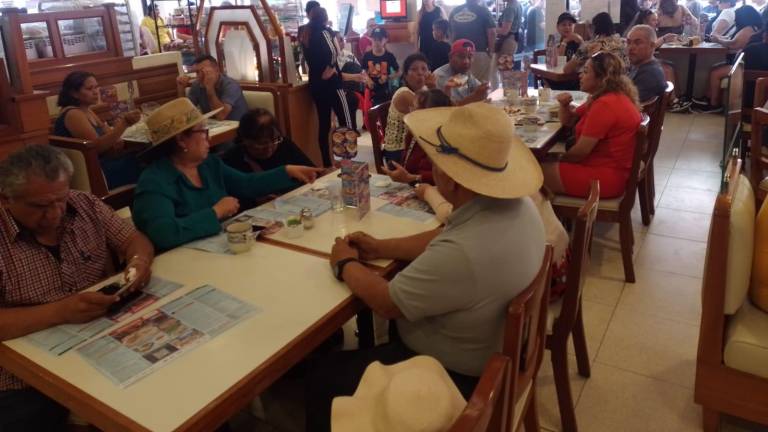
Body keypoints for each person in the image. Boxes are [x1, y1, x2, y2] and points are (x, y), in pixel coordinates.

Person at [305, 101, 546, 432]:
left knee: (322, 377)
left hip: (456, 372)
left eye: (438, 161)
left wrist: (344, 263)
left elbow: (388, 302)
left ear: (452, 180)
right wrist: (380, 247)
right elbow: (443, 236)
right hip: (497, 352)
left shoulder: (463, 253)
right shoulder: (519, 208)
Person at [0, 144, 155, 430]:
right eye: (40, 206)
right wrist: (61, 312)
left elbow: (135, 241)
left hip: (101, 343)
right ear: (6, 199)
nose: (55, 213)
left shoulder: (84, 204)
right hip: (22, 376)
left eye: (60, 199)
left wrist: (138, 263)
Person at [132, 98, 322, 251]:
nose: (209, 138)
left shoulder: (208, 164)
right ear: (182, 140)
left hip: (220, 250)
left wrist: (287, 171)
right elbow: (163, 234)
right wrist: (215, 212)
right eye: (203, 132)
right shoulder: (154, 181)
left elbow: (247, 184)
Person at [542, 51, 642, 199]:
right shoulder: (606, 96)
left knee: (531, 172)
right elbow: (569, 121)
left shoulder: (605, 105)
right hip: (612, 169)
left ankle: (544, 218)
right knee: (537, 165)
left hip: (604, 178)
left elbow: (579, 153)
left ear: (602, 78)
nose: (580, 75)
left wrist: (557, 158)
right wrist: (564, 105)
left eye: (586, 71)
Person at [54, 71, 142, 189]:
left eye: (96, 87)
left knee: (143, 154)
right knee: (146, 161)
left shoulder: (87, 110)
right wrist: (124, 123)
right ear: (74, 93)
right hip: (96, 174)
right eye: (90, 88)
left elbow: (109, 137)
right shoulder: (73, 114)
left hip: (104, 164)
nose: (96, 92)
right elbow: (97, 147)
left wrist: (116, 135)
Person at [304, 8, 356, 167]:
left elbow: (307, 58)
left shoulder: (305, 33)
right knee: (346, 122)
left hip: (316, 85)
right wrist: (331, 66)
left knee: (324, 124)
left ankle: (327, 164)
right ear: (325, 18)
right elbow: (334, 53)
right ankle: (347, 161)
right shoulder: (325, 31)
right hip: (331, 84)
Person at [693, 5, 763, 113]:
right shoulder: (754, 28)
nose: (735, 20)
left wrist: (718, 40)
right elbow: (734, 40)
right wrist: (719, 38)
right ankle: (709, 98)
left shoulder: (748, 29)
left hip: (743, 66)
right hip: (745, 63)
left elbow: (734, 44)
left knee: (715, 73)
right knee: (715, 67)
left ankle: (714, 104)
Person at [381, 88, 452, 185]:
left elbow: (447, 177)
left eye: (415, 108)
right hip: (415, 185)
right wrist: (401, 173)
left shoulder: (443, 140)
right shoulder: (413, 133)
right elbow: (407, 164)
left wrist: (412, 178)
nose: (411, 111)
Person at [380, 53, 437, 166]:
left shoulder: (423, 91)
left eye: (424, 69)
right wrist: (433, 89)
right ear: (405, 75)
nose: (420, 73)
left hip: (413, 148)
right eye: (414, 69)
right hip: (398, 153)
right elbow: (429, 117)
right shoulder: (404, 93)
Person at [177, 55, 248, 122]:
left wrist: (210, 88)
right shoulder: (197, 84)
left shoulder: (230, 85)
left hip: (237, 130)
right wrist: (181, 89)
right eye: (197, 72)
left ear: (216, 70)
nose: (198, 76)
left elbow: (221, 115)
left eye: (203, 72)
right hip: (214, 128)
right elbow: (185, 114)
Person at [564, 12, 629, 74]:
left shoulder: (590, 46)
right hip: (623, 84)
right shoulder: (623, 43)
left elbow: (567, 69)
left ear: (594, 28)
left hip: (601, 84)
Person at [449, 0, 497, 83]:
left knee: (460, 85)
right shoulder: (483, 11)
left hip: (457, 55)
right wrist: (491, 51)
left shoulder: (454, 11)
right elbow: (492, 32)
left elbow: (450, 33)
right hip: (478, 52)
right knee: (480, 85)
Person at [433, 39, 490, 105]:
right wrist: (474, 97)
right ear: (450, 57)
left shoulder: (466, 73)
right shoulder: (440, 76)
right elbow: (449, 108)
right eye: (461, 57)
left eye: (469, 57)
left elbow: (479, 89)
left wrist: (484, 90)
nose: (466, 61)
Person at [627, 25, 668, 102]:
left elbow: (626, 103)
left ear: (652, 46)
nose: (630, 47)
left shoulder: (650, 74)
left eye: (637, 43)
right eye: (629, 42)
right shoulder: (639, 65)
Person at [362, 28, 400, 106]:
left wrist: (388, 77)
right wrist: (368, 79)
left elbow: (398, 72)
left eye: (380, 39)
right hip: (370, 91)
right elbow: (363, 71)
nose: (377, 42)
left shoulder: (389, 56)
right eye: (374, 39)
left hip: (385, 91)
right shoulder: (367, 55)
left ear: (385, 40)